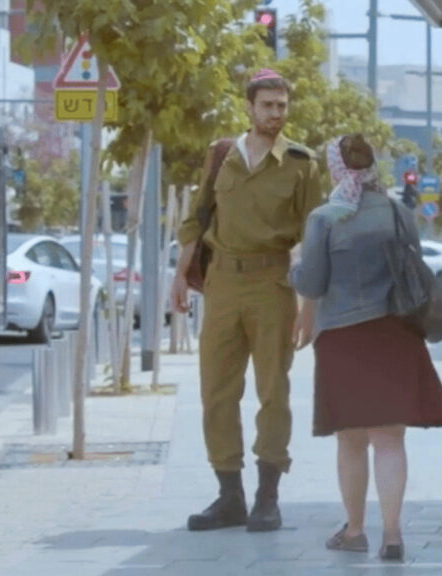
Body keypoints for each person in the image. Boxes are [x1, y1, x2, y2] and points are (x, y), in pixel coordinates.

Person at [288, 135, 442, 562]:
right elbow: (413, 265)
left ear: (335, 168)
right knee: (390, 439)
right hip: (396, 331)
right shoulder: (398, 212)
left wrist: (294, 267)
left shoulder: (324, 217)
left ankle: (355, 530)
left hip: (343, 337)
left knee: (350, 441)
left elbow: (312, 284)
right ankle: (393, 535)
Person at [170, 69, 322, 534]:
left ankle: (267, 497)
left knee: (272, 390)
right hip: (222, 284)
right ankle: (229, 495)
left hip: (273, 283)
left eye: (282, 106)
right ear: (250, 107)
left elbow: (314, 236)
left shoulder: (302, 164)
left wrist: (309, 304)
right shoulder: (222, 155)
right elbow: (197, 217)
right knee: (216, 390)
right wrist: (181, 273)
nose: (276, 113)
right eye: (268, 105)